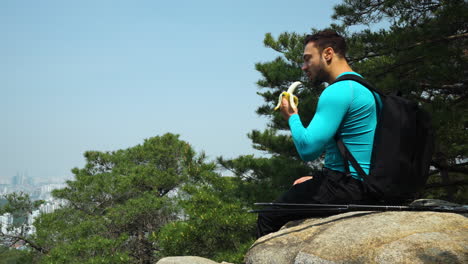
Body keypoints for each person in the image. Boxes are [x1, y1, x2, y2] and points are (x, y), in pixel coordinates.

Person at [256, 30, 382, 238]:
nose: (304, 67)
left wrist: (292, 117)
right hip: (368, 182)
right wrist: (316, 180)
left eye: (307, 59)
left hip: (347, 187)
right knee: (301, 187)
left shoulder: (337, 91)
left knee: (268, 215)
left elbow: (307, 149)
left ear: (328, 54)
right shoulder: (366, 88)